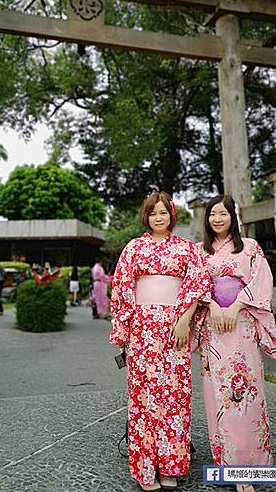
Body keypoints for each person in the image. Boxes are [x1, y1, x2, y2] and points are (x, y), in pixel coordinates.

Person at [110, 191, 211, 491]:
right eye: (153, 213)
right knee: (143, 400)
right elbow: (122, 289)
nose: (158, 217)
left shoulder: (186, 249)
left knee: (175, 397)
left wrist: (183, 321)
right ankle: (145, 468)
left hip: (175, 329)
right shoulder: (134, 248)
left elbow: (197, 285)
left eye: (163, 212)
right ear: (146, 217)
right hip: (142, 332)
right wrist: (124, 331)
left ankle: (170, 465)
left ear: (171, 215)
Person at [192, 195, 276, 492]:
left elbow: (260, 281)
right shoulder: (199, 251)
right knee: (218, 396)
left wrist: (237, 305)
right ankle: (229, 465)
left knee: (246, 394)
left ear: (233, 216)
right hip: (212, 327)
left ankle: (252, 464)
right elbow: (194, 284)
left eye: (223, 214)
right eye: (212, 214)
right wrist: (213, 305)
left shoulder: (251, 248)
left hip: (241, 326)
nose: (217, 219)